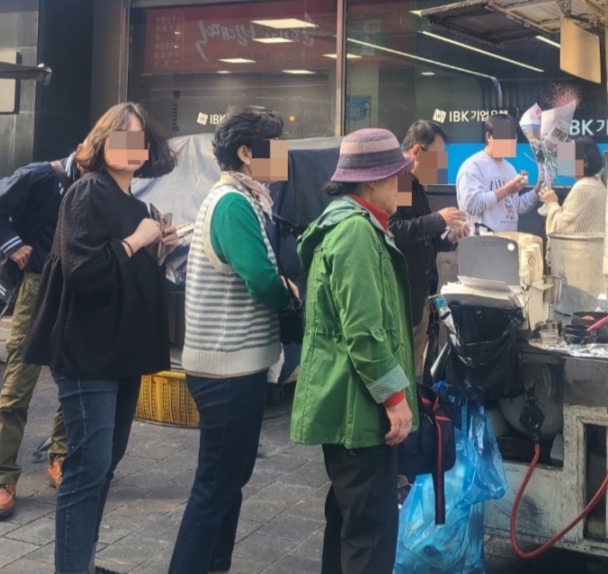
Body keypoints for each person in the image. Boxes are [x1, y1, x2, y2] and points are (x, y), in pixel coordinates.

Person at [23, 102, 178, 574]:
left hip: (122, 351)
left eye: (139, 139)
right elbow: (84, 272)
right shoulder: (88, 192)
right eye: (121, 137)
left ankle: (83, 562)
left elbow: (127, 278)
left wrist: (156, 250)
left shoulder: (139, 207)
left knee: (105, 463)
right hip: (87, 351)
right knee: (87, 467)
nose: (131, 147)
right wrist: (136, 241)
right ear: (101, 142)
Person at [169, 108, 297, 574]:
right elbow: (261, 280)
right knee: (216, 483)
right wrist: (289, 291)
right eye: (275, 145)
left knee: (229, 480)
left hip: (235, 363)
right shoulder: (233, 204)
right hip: (227, 367)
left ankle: (214, 565)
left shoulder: (245, 198)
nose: (283, 154)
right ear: (246, 152)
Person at [291, 128, 417, 574]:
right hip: (359, 407)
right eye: (398, 174)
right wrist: (395, 398)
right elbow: (364, 331)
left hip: (350, 400)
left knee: (349, 521)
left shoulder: (352, 224)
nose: (403, 183)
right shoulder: (356, 232)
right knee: (370, 532)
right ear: (374, 180)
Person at [0, 153, 80, 519]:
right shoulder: (41, 176)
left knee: (74, 376)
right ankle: (1, 475)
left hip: (79, 289)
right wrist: (12, 243)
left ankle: (60, 456)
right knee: (18, 380)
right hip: (37, 283)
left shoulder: (108, 185)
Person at [389, 120, 468, 380]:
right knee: (404, 372)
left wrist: (449, 237)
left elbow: (421, 236)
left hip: (420, 296)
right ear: (416, 152)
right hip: (403, 297)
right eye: (437, 157)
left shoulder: (414, 184)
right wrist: (437, 219)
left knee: (414, 371)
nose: (440, 165)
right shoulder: (401, 180)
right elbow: (394, 229)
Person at [456, 114, 540, 233]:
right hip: (481, 241)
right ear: (489, 136)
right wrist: (507, 189)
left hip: (509, 240)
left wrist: (537, 191)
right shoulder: (473, 166)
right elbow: (472, 205)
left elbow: (515, 207)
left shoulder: (510, 168)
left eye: (513, 136)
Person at [537, 136, 607, 235]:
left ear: (584, 162)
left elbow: (561, 229)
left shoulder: (583, 188)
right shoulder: (595, 183)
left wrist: (552, 203)